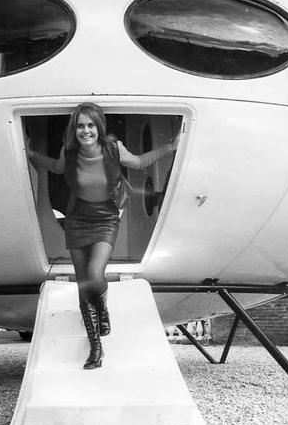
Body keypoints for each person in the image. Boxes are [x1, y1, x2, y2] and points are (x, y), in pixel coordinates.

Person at [27, 102, 179, 369]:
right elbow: (57, 167)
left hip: (106, 218)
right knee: (84, 283)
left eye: (90, 125)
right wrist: (29, 153)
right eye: (80, 126)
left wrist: (170, 147)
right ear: (74, 129)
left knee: (95, 275)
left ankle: (103, 306)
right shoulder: (70, 151)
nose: (85, 131)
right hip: (77, 220)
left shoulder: (113, 148)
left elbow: (140, 161)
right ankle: (95, 348)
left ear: (99, 127)